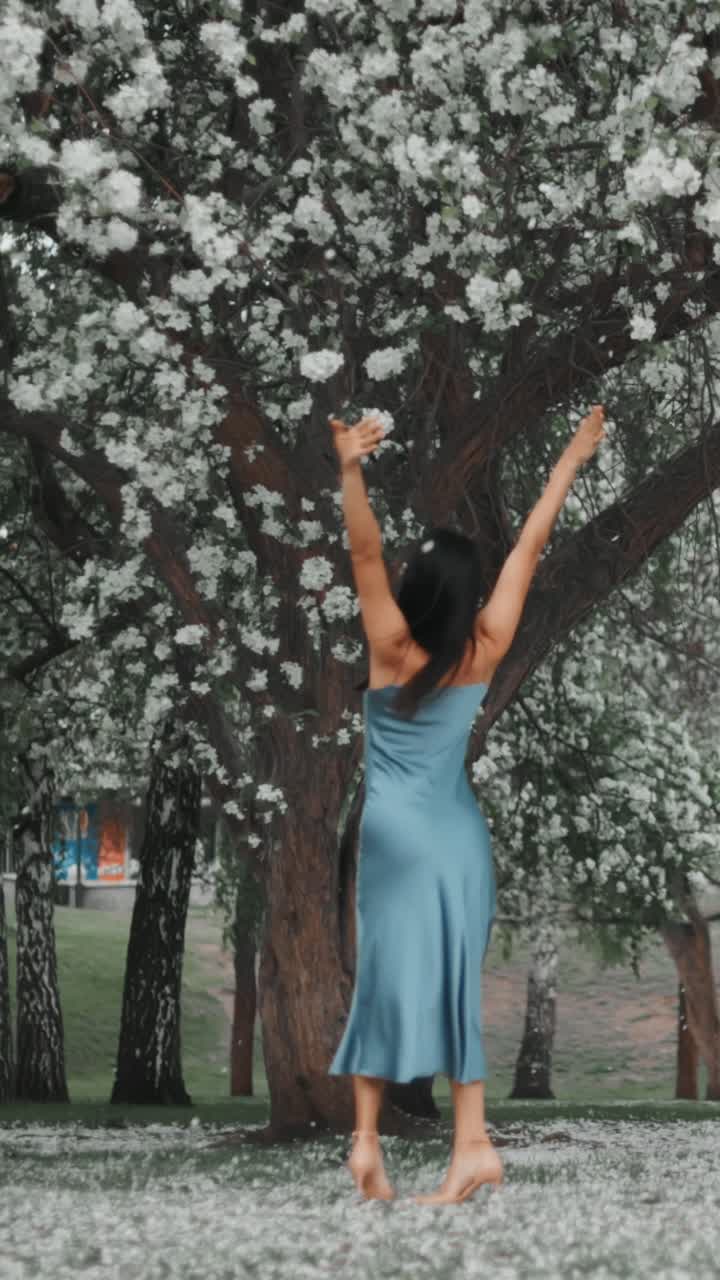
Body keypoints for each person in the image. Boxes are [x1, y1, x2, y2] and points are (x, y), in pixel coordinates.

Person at [327, 405, 606, 1203]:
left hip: (390, 836)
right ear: (467, 593)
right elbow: (530, 547)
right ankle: (472, 1145)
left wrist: (350, 467)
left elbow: (364, 548)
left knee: (382, 976)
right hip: (455, 840)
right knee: (455, 983)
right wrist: (569, 460)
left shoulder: (390, 648)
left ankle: (367, 1144)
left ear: (417, 588)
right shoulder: (483, 649)